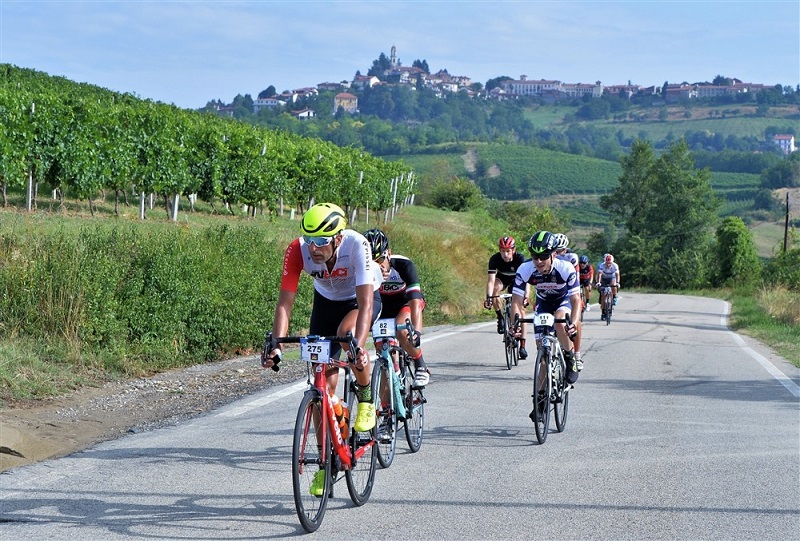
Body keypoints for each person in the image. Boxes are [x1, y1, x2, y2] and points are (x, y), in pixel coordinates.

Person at [261, 203, 382, 495]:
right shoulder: (297, 250)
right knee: (322, 385)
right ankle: (326, 463)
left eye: (320, 242)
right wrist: (276, 343)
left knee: (346, 336)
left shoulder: (357, 245)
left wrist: (360, 347)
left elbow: (366, 305)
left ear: (338, 239)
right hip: (326, 304)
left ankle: (365, 397)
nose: (313, 248)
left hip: (360, 299)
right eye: (308, 239)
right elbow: (284, 303)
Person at [510, 230, 581, 422]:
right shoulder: (525, 269)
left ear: (554, 254)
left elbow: (576, 300)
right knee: (543, 356)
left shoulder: (566, 268)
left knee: (560, 321)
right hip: (543, 303)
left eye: (543, 257)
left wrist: (573, 323)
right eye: (535, 257)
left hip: (563, 301)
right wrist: (515, 324)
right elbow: (516, 301)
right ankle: (540, 403)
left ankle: (570, 357)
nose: (539, 262)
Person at [363, 228, 430, 387]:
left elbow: (415, 301)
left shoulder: (404, 265)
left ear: (389, 253)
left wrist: (417, 332)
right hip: (381, 308)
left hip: (404, 303)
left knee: (402, 332)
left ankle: (420, 364)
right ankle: (390, 401)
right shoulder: (362, 270)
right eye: (371, 262)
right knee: (383, 353)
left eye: (380, 259)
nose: (378, 266)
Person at [484, 236, 530, 359]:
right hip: (502, 278)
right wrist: (488, 297)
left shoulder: (520, 259)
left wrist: (526, 296)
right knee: (494, 290)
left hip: (517, 280)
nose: (505, 254)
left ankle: (523, 346)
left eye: (508, 251)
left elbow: (526, 281)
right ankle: (500, 317)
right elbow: (491, 281)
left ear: (513, 250)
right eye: (502, 251)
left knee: (521, 311)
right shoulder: (494, 259)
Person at [553, 233, 584, 369]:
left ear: (565, 250)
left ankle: (577, 355)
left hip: (568, 290)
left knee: (575, 321)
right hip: (553, 291)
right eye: (555, 251)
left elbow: (575, 279)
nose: (558, 253)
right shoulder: (548, 258)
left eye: (561, 251)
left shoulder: (572, 258)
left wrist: (577, 297)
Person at [596, 253, 621, 321]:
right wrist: (598, 282)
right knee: (604, 295)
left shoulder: (615, 265)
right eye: (607, 263)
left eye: (609, 263)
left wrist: (618, 283)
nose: (608, 264)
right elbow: (600, 274)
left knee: (613, 284)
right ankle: (603, 312)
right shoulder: (602, 265)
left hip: (612, 278)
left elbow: (617, 275)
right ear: (605, 261)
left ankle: (614, 296)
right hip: (604, 278)